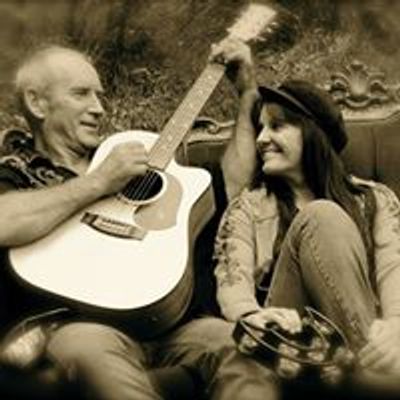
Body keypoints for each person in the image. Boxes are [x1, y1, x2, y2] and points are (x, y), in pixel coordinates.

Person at [0, 44, 279, 400]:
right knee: (91, 354)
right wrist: (99, 182)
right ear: (37, 103)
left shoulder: (135, 163)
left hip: (173, 325)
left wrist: (247, 93)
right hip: (81, 326)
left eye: (100, 95)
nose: (99, 108)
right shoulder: (16, 171)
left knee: (239, 345)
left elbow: (232, 186)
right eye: (81, 94)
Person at [212, 38, 400, 394]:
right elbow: (233, 283)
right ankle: (380, 381)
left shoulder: (374, 199)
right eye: (260, 128)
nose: (262, 139)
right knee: (320, 217)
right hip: (291, 344)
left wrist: (396, 328)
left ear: (314, 135)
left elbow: (395, 270)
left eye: (277, 126)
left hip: (364, 345)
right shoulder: (249, 207)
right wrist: (251, 317)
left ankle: (370, 375)